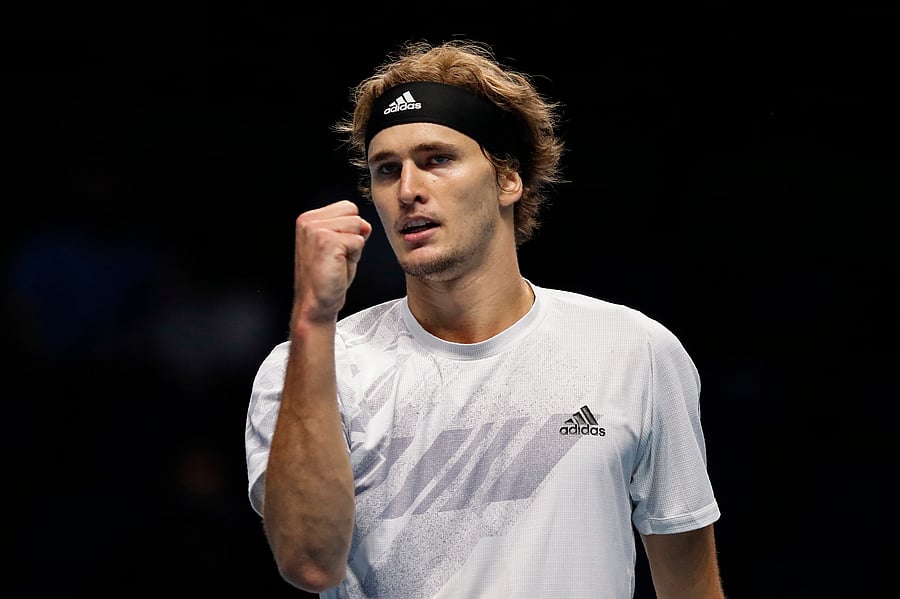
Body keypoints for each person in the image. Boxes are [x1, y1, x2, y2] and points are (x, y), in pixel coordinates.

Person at [244, 38, 726, 598]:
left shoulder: (634, 349)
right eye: (385, 169)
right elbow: (309, 564)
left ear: (507, 180)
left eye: (437, 160)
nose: (407, 190)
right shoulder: (309, 365)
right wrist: (313, 319)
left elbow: (691, 588)